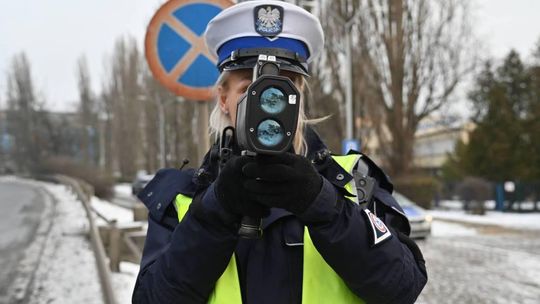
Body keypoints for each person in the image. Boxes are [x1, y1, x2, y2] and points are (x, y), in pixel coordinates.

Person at [132, 1, 427, 303]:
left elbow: (402, 288)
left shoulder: (356, 182)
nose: (266, 103)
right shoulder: (184, 197)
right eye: (249, 89)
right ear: (223, 99)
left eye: (284, 89)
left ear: (300, 98)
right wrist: (214, 213)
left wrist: (325, 205)